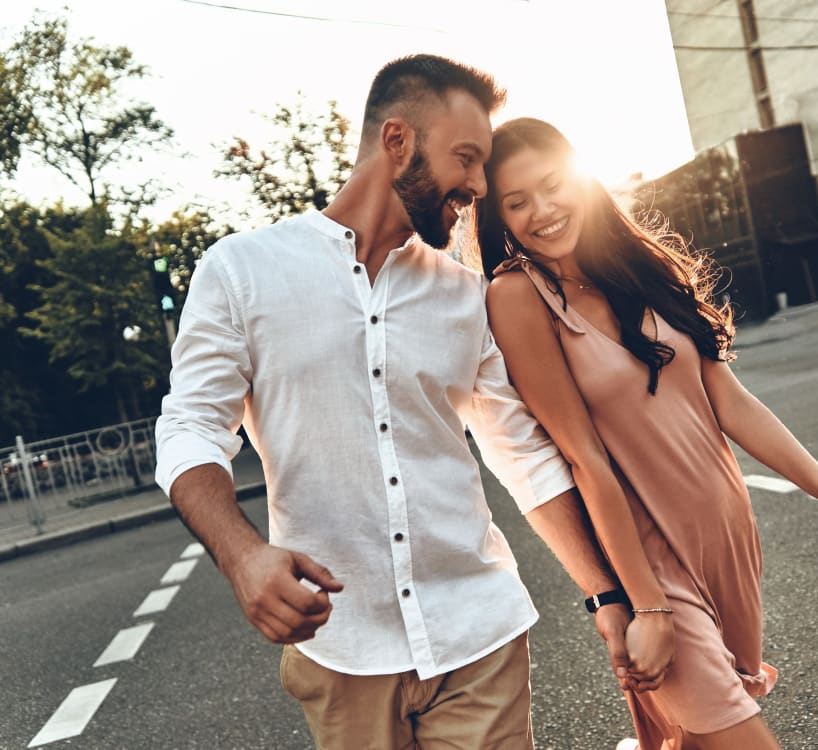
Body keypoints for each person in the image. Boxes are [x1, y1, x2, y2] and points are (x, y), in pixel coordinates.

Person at [155, 57, 660, 750]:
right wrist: (243, 555)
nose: (479, 186)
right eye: (466, 159)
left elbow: (523, 457)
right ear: (397, 143)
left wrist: (606, 595)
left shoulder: (463, 294)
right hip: (342, 649)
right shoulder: (242, 272)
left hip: (478, 633)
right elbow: (189, 430)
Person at [473, 117, 818, 750]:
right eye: (517, 202)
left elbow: (730, 403)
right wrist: (643, 605)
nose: (542, 210)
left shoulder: (637, 269)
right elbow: (584, 459)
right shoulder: (517, 297)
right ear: (501, 219)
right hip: (650, 557)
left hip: (726, 539)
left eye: (551, 185)